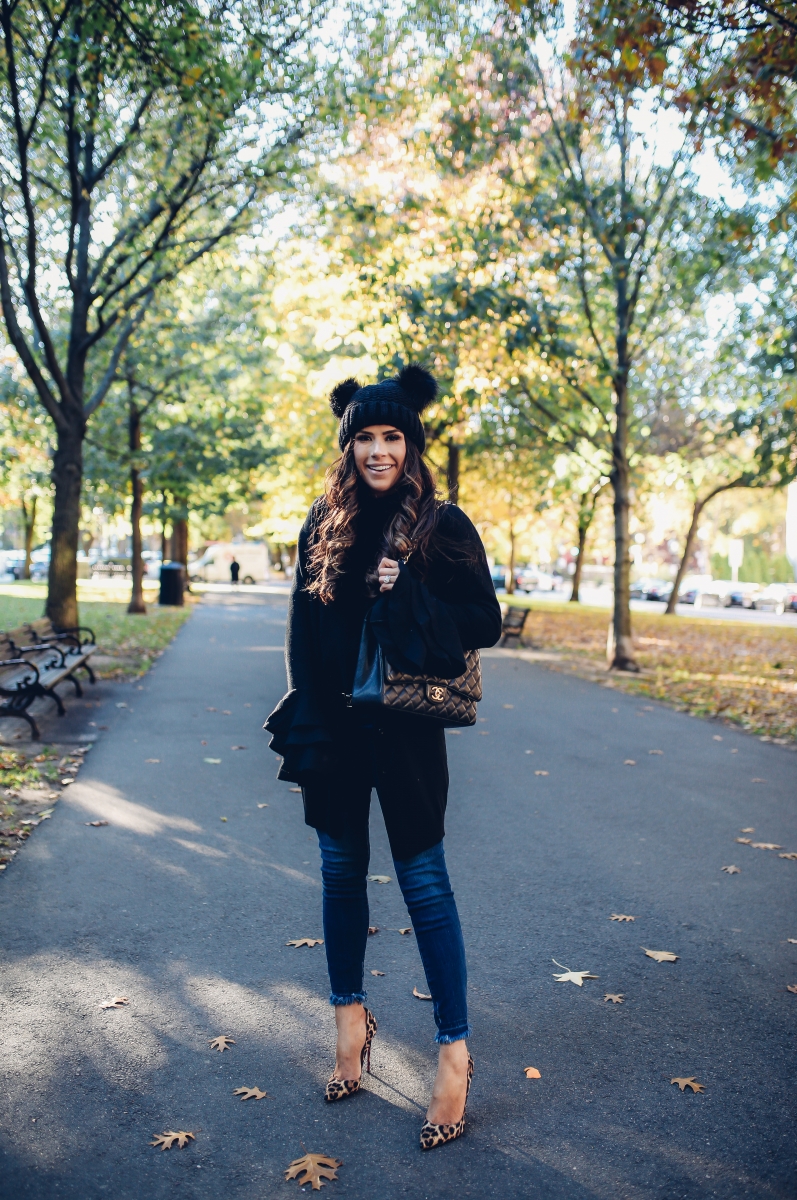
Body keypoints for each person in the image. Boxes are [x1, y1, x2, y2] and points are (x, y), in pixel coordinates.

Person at [265, 364, 501, 1150]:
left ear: (412, 443)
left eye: (391, 436)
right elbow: (303, 631)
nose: (377, 450)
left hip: (406, 736)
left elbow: (484, 621)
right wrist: (307, 716)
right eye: (364, 437)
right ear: (347, 445)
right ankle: (348, 1023)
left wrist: (410, 592)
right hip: (334, 728)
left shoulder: (442, 525)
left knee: (424, 886)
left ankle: (454, 1054)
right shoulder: (319, 523)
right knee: (338, 875)